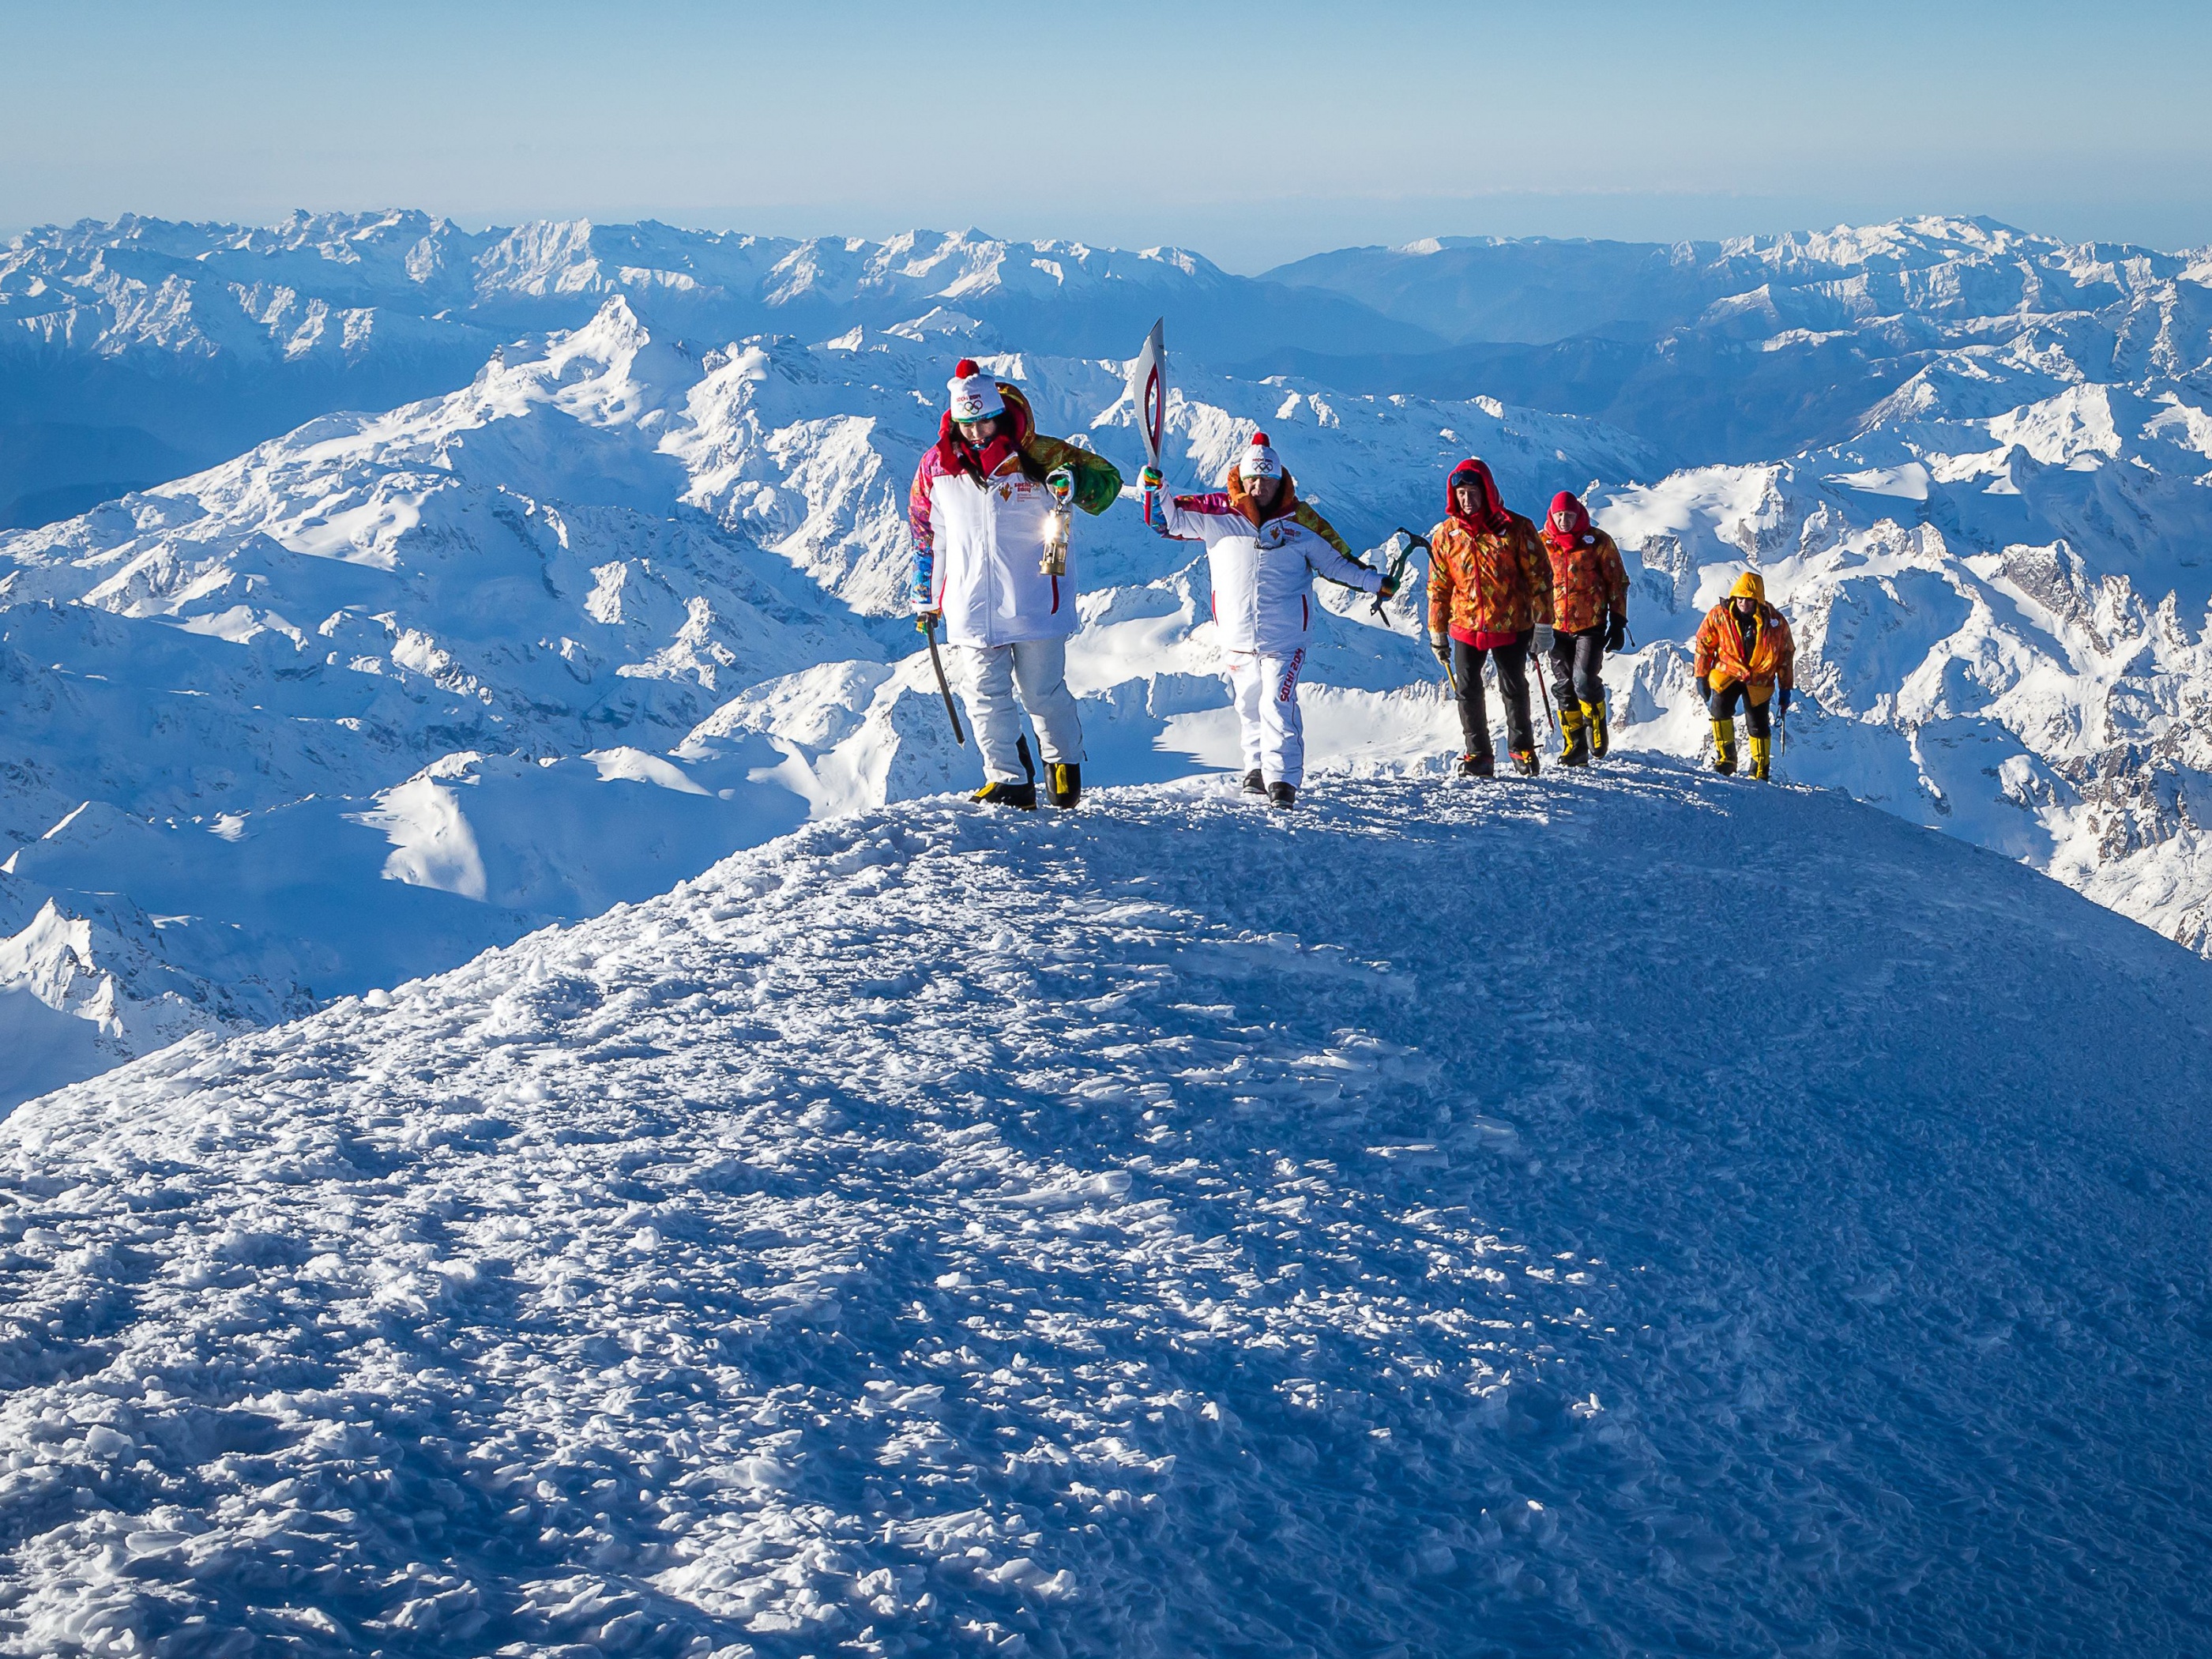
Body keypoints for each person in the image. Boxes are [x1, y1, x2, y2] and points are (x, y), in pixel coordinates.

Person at [1141, 431, 1395, 809]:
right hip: (1236, 634)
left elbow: (1337, 562)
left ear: (1280, 480)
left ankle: (1283, 781)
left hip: (1286, 635)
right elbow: (1167, 521)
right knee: (1248, 703)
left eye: (1268, 480)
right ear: (1242, 479)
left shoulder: (1302, 521)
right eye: (1253, 479)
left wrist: (1376, 582)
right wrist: (1152, 489)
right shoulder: (1217, 512)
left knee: (1278, 701)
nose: (1260, 487)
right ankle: (1256, 770)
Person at [910, 359, 1121, 808]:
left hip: (1035, 598)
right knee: (984, 696)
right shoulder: (935, 468)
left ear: (998, 415)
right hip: (970, 603)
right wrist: (926, 600)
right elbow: (926, 534)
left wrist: (1074, 480)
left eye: (984, 421)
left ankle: (1062, 767)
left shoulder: (1037, 455)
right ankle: (1009, 778)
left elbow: (1106, 483)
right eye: (967, 424)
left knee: (1043, 694)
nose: (976, 432)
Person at [1426, 458, 1554, 777]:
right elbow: (1439, 585)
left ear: (1487, 491)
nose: (1467, 500)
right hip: (1465, 624)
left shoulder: (1516, 528)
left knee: (1513, 686)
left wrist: (1544, 625)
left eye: (1472, 492)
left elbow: (1540, 578)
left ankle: (1521, 748)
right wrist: (1437, 630)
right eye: (1461, 494)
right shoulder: (1446, 535)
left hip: (1511, 623)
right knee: (1467, 690)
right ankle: (1478, 754)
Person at [1538, 490, 1630, 766]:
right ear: (1552, 515)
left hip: (1590, 624)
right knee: (1564, 685)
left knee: (1584, 679)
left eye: (1569, 514)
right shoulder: (1542, 544)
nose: (1564, 520)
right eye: (1559, 515)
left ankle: (1596, 720)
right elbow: (1533, 584)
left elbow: (1616, 580)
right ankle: (1575, 745)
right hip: (1554, 626)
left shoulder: (1597, 541)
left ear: (1578, 514)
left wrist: (1618, 621)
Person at [1692, 570, 1796, 781]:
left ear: (1757, 600)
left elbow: (1785, 656)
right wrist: (1701, 675)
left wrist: (1786, 688)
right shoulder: (1719, 616)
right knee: (1719, 711)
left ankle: (1759, 770)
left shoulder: (1775, 622)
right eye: (1740, 598)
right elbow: (1704, 644)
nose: (1743, 604)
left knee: (1757, 724)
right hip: (1728, 672)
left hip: (1759, 678)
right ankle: (1726, 759)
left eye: (1748, 600)